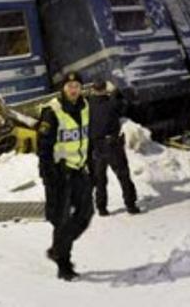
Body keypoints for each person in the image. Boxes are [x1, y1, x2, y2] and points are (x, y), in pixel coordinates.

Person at [37, 71, 94, 281]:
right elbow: (43, 148)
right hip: (59, 174)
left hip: (79, 170)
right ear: (63, 88)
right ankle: (64, 264)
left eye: (77, 86)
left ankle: (57, 248)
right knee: (60, 220)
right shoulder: (52, 111)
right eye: (70, 86)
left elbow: (87, 139)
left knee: (85, 214)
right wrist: (48, 176)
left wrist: (92, 167)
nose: (73, 89)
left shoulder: (85, 106)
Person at [87, 79, 141, 216]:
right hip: (113, 144)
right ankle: (130, 205)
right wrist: (115, 92)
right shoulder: (112, 102)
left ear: (93, 90)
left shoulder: (88, 104)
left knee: (100, 179)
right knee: (123, 175)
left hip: (97, 146)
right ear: (105, 89)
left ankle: (102, 208)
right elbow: (125, 106)